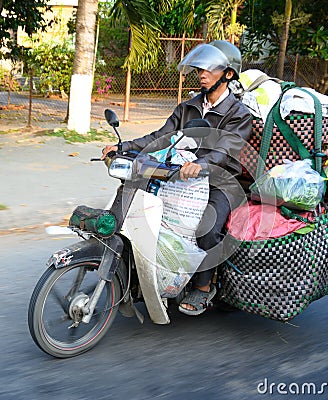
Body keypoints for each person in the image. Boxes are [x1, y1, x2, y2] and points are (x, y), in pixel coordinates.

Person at [101, 40, 252, 316]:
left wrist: (200, 163)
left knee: (207, 224)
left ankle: (205, 288)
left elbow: (226, 149)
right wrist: (124, 148)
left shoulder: (238, 114)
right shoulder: (188, 107)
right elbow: (161, 136)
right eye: (199, 70)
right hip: (182, 176)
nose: (202, 74)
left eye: (209, 69)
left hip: (221, 181)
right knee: (140, 202)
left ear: (228, 74)